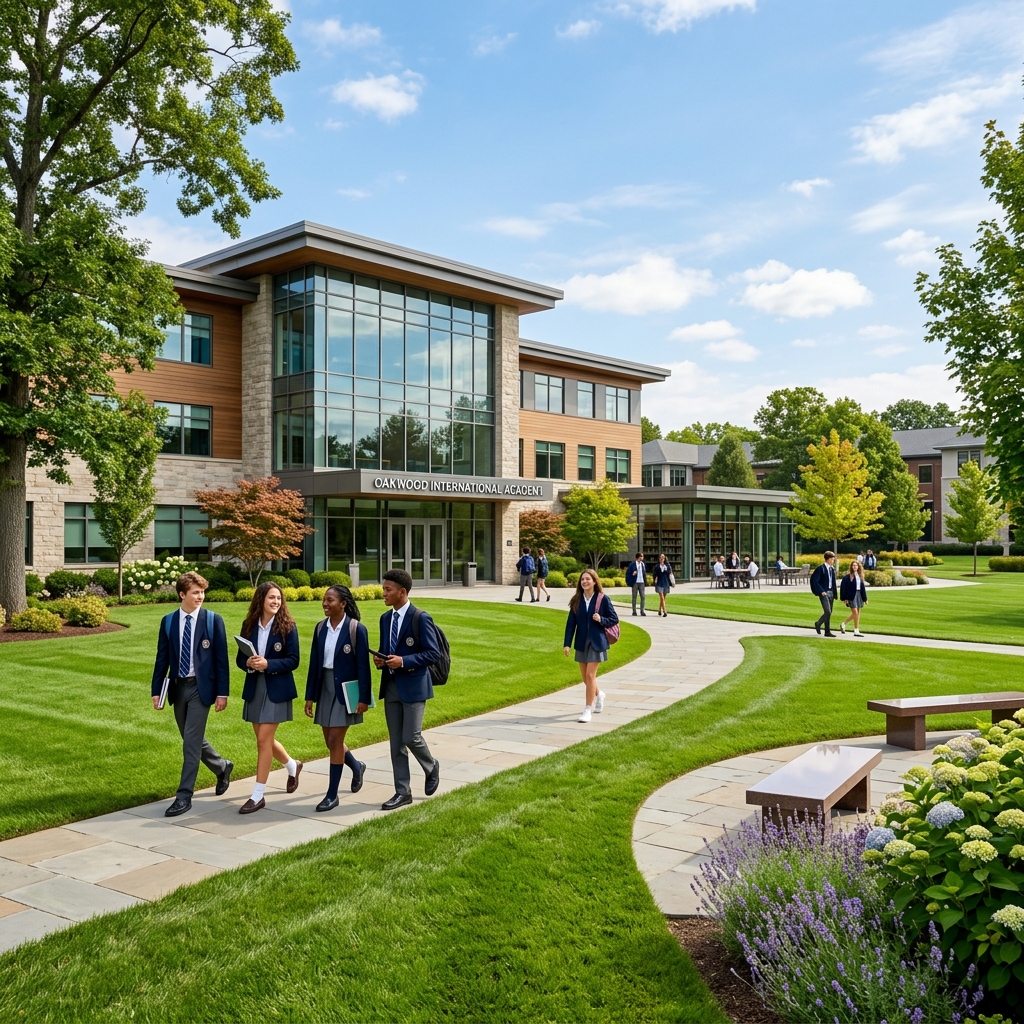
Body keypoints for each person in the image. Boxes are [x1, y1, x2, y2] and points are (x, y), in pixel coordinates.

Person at [151, 571, 233, 817]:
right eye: (195, 592)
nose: (200, 596)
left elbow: (221, 661)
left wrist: (223, 693)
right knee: (191, 739)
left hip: (202, 688)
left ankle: (184, 796)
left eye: (202, 592)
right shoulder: (168, 622)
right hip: (178, 687)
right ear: (182, 594)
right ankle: (222, 766)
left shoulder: (212, 620)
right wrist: (157, 691)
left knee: (191, 744)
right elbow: (162, 658)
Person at [373, 568, 441, 811]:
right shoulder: (385, 619)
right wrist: (381, 660)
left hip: (414, 687)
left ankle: (431, 765)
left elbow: (433, 653)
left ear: (402, 592)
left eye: (387, 590)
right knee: (395, 743)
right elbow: (385, 648)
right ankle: (403, 792)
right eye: (383, 589)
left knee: (411, 736)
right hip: (391, 686)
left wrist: (403, 661)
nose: (384, 593)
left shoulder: (420, 617)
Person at [236, 582, 301, 814]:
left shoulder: (288, 627)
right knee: (264, 740)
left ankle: (257, 795)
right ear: (261, 599)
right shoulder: (249, 625)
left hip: (277, 689)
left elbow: (294, 660)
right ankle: (293, 765)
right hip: (255, 687)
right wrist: (249, 663)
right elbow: (239, 659)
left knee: (263, 741)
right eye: (272, 598)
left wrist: (268, 664)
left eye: (279, 599)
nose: (276, 602)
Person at [305, 585, 371, 812]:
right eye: (324, 600)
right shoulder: (320, 628)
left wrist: (363, 698)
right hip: (324, 688)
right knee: (329, 740)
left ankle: (332, 795)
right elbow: (314, 663)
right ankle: (356, 765)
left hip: (345, 691)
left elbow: (363, 666)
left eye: (330, 600)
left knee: (334, 740)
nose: (325, 604)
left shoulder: (356, 629)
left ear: (343, 604)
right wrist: (310, 696)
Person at [563, 568, 619, 723]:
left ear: (594, 581)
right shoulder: (577, 600)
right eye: (582, 579)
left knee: (590, 675)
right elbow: (570, 624)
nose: (585, 582)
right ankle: (599, 694)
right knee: (585, 678)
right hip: (581, 642)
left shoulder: (603, 599)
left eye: (588, 579)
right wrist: (567, 644)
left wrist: (601, 619)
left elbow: (614, 619)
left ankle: (588, 709)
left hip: (597, 641)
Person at [811, 551, 839, 637]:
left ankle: (827, 631)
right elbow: (814, 581)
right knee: (828, 611)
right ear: (828, 559)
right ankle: (818, 623)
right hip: (824, 592)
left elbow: (833, 582)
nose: (833, 560)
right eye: (832, 558)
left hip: (831, 592)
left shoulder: (831, 569)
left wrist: (835, 593)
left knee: (829, 612)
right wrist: (820, 591)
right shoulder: (820, 569)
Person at [839, 559, 868, 637]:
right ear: (851, 567)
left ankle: (843, 624)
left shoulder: (860, 576)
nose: (855, 567)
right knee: (855, 612)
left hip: (859, 595)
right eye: (853, 565)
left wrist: (865, 599)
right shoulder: (847, 577)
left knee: (857, 613)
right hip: (851, 596)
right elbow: (843, 588)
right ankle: (856, 631)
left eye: (856, 565)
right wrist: (844, 598)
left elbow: (862, 588)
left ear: (858, 567)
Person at [626, 551, 647, 616]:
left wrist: (645, 581)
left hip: (641, 582)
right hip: (635, 582)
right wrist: (633, 574)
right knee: (634, 597)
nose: (642, 557)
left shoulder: (643, 564)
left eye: (642, 556)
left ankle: (642, 611)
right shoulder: (632, 564)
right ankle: (634, 611)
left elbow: (644, 574)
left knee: (643, 597)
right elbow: (628, 573)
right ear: (638, 557)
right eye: (641, 556)